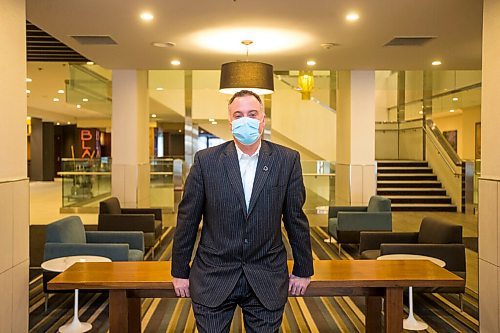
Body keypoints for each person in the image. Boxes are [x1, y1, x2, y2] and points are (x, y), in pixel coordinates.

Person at [171, 90, 314, 332]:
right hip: (213, 275)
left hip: (266, 275)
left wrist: (303, 268)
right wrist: (179, 271)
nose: (245, 119)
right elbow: (188, 218)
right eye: (238, 115)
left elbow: (295, 218)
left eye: (252, 114)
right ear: (230, 122)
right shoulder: (206, 161)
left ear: (262, 120)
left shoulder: (287, 160)